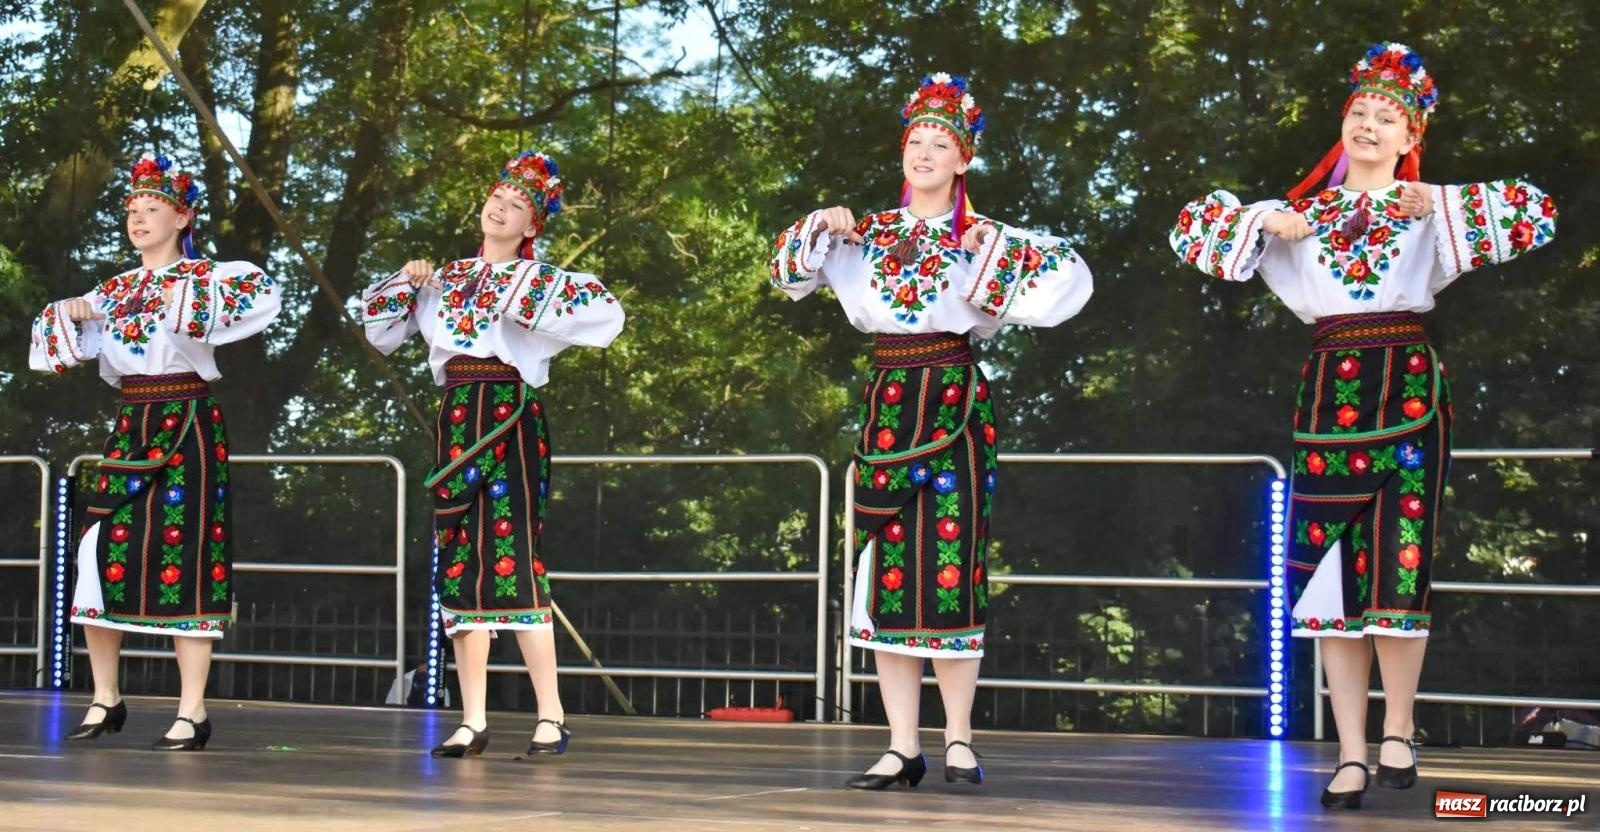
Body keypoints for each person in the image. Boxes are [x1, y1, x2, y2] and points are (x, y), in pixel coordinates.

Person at [1168, 43, 1557, 809]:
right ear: (1340, 128)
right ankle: (1349, 752)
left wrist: (1439, 200)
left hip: (1408, 388)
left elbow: (1537, 211)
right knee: (1328, 578)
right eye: (1359, 114)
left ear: (1411, 138)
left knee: (1399, 565)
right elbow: (1190, 230)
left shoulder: (1427, 212)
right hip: (1330, 390)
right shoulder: (1302, 217)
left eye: (1387, 118)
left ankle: (1399, 729)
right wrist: (1260, 219)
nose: (1369, 125)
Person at [770, 73, 1093, 789]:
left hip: (954, 398)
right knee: (887, 572)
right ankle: (900, 743)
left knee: (953, 565)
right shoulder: (867, 232)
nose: (923, 151)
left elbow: (1069, 280)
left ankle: (958, 739)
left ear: (962, 159)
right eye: (914, 140)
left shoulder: (981, 237)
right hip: (890, 399)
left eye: (938, 142)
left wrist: (995, 243)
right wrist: (822, 223)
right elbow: (784, 272)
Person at [363, 150, 624, 758]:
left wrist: (516, 300)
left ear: (532, 225)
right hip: (456, 416)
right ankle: (472, 717)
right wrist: (406, 281)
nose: (500, 209)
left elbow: (607, 315)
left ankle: (551, 715)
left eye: (516, 206)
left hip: (508, 412)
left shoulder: (540, 280)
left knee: (513, 558)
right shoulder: (445, 278)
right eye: (496, 199)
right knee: (458, 564)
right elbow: (379, 331)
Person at [30, 152, 282, 750]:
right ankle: (105, 697)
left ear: (183, 216)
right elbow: (52, 352)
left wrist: (167, 298)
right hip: (130, 423)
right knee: (97, 550)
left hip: (188, 418)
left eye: (153, 209)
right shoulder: (112, 288)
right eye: (133, 211)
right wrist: (69, 312)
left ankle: (192, 709)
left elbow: (263, 297)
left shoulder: (210, 278)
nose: (139, 219)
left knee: (186, 549)